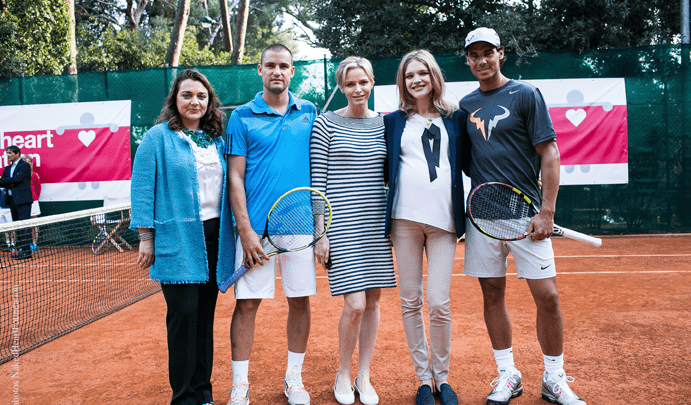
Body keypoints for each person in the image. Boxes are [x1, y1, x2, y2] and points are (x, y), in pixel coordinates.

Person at [459, 27, 587, 405]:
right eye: (474, 55)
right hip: (482, 217)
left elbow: (550, 153)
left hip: (527, 217)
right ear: (467, 59)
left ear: (502, 53)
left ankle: (554, 378)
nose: (482, 61)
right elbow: (465, 163)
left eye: (488, 53)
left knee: (547, 297)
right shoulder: (465, 105)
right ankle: (507, 375)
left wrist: (546, 211)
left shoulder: (526, 94)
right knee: (492, 294)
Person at [130, 68, 233, 405]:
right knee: (183, 316)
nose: (195, 101)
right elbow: (143, 187)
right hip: (177, 239)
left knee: (204, 318)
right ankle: (184, 396)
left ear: (209, 102)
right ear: (175, 99)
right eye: (187, 94)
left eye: (201, 96)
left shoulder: (216, 139)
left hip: (215, 238)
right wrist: (146, 236)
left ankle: (203, 392)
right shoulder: (157, 137)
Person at [225, 43, 318, 405]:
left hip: (299, 226)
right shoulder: (242, 117)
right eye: (270, 65)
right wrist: (246, 231)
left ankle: (294, 379)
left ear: (292, 71)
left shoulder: (309, 112)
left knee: (299, 301)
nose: (277, 71)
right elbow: (235, 177)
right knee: (247, 305)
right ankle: (240, 386)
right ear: (259, 70)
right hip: (255, 232)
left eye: (284, 66)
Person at [310, 56, 397, 405]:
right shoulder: (324, 124)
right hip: (340, 225)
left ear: (372, 82)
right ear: (341, 87)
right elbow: (318, 182)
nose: (357, 89)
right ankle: (342, 372)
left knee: (374, 302)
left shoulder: (387, 125)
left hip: (376, 223)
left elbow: (392, 175)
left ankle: (364, 374)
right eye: (349, 84)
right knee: (356, 305)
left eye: (362, 82)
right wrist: (321, 233)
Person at [383, 50, 467, 405]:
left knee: (439, 303)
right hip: (403, 221)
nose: (415, 80)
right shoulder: (391, 122)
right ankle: (423, 380)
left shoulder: (456, 119)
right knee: (410, 300)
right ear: (402, 82)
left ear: (434, 76)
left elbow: (476, 161)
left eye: (422, 73)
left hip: (444, 223)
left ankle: (443, 379)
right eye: (408, 75)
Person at [0, 145, 34, 260]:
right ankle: (22, 250)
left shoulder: (25, 165)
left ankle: (27, 251)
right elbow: (4, 182)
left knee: (24, 226)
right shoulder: (7, 168)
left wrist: (11, 181)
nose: (8, 155)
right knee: (17, 226)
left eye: (10, 153)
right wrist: (11, 182)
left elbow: (16, 179)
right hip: (12, 201)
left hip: (23, 200)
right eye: (7, 153)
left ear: (17, 153)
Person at [21, 155, 41, 251]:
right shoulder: (18, 174)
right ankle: (25, 245)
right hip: (22, 203)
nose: (28, 162)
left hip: (33, 202)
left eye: (29, 161)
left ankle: (34, 244)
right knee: (24, 225)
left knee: (34, 224)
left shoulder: (34, 175)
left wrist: (34, 198)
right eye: (25, 161)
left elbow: (38, 188)